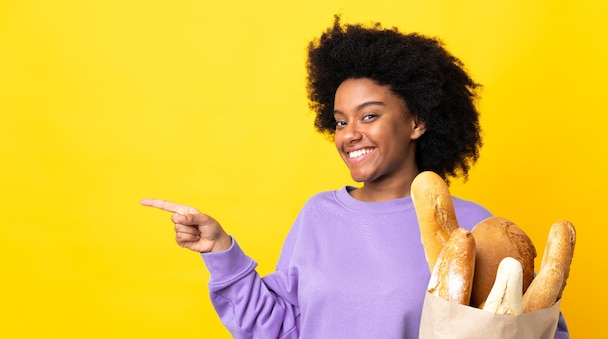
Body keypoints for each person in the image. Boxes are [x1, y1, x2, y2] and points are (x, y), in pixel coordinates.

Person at [141, 16, 569, 338]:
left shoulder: (474, 227)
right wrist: (219, 249)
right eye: (341, 121)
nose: (351, 134)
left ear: (416, 121)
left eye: (369, 115)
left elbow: (536, 327)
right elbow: (277, 328)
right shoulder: (319, 216)